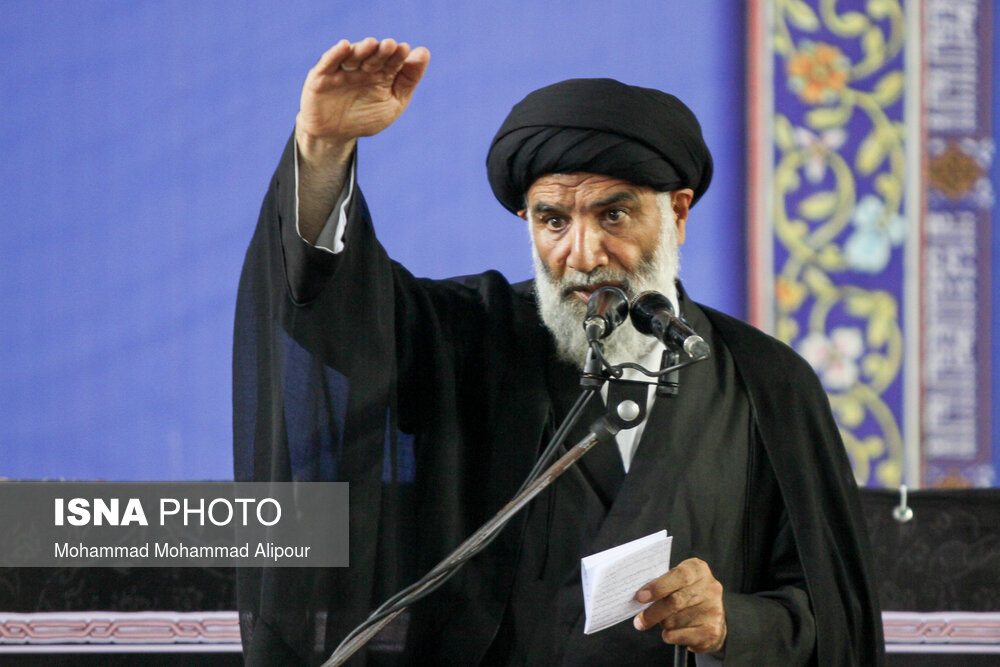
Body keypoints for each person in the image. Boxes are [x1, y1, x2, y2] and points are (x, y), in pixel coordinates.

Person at [234, 38, 884, 665]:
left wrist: (730, 623)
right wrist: (324, 150)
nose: (582, 254)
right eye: (554, 220)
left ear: (678, 213)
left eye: (613, 216)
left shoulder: (767, 383)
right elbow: (346, 314)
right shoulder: (470, 336)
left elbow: (832, 619)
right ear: (528, 222)